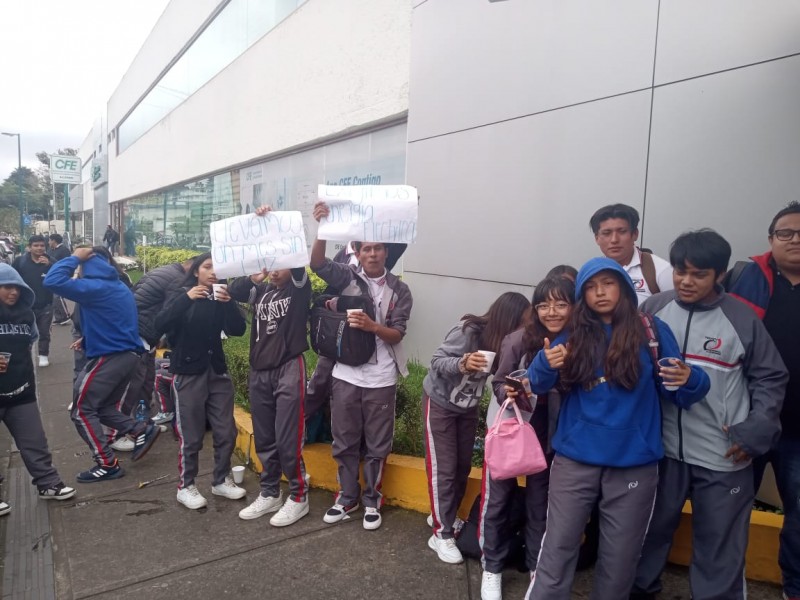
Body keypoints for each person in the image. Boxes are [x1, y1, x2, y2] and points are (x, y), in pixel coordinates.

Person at [524, 257, 710, 600]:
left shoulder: (651, 332)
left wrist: (692, 378)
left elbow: (683, 391)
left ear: (624, 287)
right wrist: (543, 364)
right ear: (583, 295)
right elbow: (537, 383)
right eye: (591, 287)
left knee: (620, 559)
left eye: (608, 283)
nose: (600, 292)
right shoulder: (573, 333)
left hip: (634, 463)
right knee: (557, 549)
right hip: (576, 459)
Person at [629, 229, 787, 599]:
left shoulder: (742, 319)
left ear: (719, 274)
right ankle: (639, 591)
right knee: (648, 531)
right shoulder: (653, 310)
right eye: (681, 271)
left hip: (723, 454)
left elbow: (771, 377)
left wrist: (753, 433)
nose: (686, 281)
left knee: (719, 544)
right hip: (662, 451)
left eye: (699, 274)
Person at [309, 201, 413, 531]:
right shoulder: (347, 278)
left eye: (378, 248)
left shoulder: (400, 290)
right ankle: (347, 497)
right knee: (344, 439)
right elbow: (317, 263)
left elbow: (397, 334)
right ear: (357, 251)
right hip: (345, 374)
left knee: (378, 444)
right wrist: (322, 228)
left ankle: (372, 500)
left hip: (381, 376)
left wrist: (372, 326)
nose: (372, 254)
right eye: (366, 248)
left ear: (386, 252)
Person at [479, 276, 575, 599]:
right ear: (534, 309)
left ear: (573, 308)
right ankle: (491, 567)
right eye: (544, 304)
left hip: (550, 439)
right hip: (511, 432)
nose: (552, 311)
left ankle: (537, 567)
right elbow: (496, 384)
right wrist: (508, 387)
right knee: (498, 502)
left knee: (540, 507)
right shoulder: (518, 340)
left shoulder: (577, 342)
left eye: (561, 304)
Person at [726, 202, 800, 600]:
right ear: (771, 239)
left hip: (798, 430)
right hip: (748, 422)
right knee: (731, 512)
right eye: (785, 233)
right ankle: (727, 586)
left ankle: (795, 588)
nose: (794, 240)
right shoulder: (748, 278)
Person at [423, 292, 530, 565]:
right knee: (443, 470)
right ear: (509, 319)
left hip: (467, 409)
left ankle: (443, 515)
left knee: (460, 468)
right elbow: (436, 361)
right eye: (522, 323)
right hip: (440, 405)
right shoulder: (468, 331)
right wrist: (462, 362)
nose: (525, 329)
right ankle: (441, 533)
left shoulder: (507, 344)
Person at [43, 247, 161, 482]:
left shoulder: (94, 287)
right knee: (103, 408)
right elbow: (115, 319)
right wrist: (88, 338)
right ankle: (140, 429)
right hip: (126, 356)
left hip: (111, 357)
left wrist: (75, 257)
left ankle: (107, 464)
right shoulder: (117, 285)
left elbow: (53, 280)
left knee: (81, 411)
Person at [229, 207, 312, 526]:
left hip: (288, 368)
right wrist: (253, 275)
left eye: (281, 265)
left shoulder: (298, 288)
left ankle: (298, 495)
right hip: (259, 372)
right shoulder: (260, 290)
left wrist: (276, 220)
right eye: (271, 264)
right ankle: (269, 491)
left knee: (287, 436)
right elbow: (236, 291)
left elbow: (297, 256)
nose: (275, 270)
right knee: (264, 436)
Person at [155, 253, 247, 509]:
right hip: (188, 371)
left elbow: (237, 330)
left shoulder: (221, 296)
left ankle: (220, 480)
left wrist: (228, 303)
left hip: (217, 371)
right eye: (207, 267)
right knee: (191, 434)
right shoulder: (182, 294)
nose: (213, 271)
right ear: (196, 271)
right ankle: (186, 486)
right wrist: (186, 299)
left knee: (225, 430)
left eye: (217, 267)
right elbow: (159, 323)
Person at [0, 264, 76, 512]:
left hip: (22, 390)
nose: (14, 292)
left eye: (18, 288)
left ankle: (48, 484)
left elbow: (31, 341)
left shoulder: (26, 314)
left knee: (35, 442)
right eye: (7, 287)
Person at [123, 256, 198, 428]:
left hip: (137, 331)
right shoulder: (178, 280)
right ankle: (120, 430)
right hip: (139, 334)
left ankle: (141, 423)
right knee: (134, 386)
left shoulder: (165, 270)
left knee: (144, 383)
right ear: (194, 269)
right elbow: (171, 314)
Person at [590, 204, 673, 304]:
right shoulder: (592, 272)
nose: (614, 240)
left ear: (635, 234)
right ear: (597, 238)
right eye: (607, 233)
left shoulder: (661, 270)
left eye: (622, 232)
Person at [12, 235, 54, 367]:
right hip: (25, 305)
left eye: (42, 245)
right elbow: (12, 279)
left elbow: (64, 274)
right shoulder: (20, 262)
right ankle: (23, 355)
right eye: (36, 245)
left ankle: (43, 355)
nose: (39, 248)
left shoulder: (51, 261)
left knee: (44, 332)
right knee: (23, 332)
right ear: (29, 248)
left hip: (46, 304)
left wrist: (50, 265)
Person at [48, 234, 72, 325]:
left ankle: (65, 315)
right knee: (52, 298)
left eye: (49, 240)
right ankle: (59, 318)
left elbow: (67, 263)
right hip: (50, 275)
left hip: (61, 275)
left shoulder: (64, 250)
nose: (48, 242)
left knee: (57, 296)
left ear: (54, 241)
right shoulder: (50, 250)